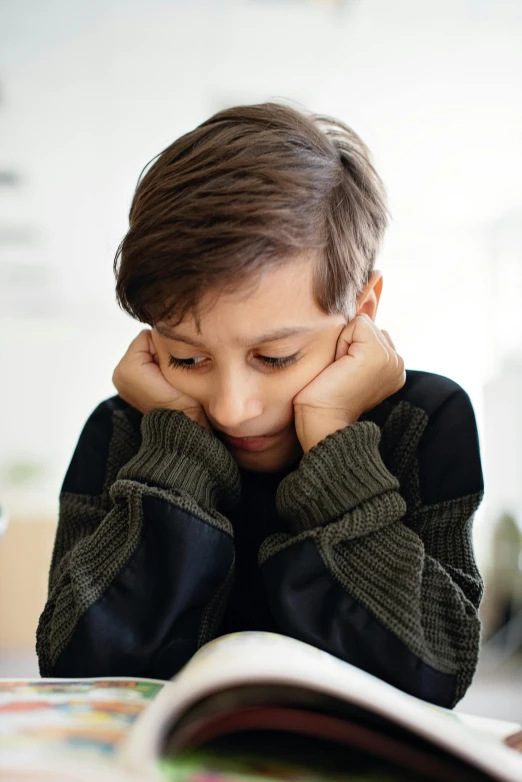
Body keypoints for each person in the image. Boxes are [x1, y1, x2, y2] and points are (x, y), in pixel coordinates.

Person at [36, 103, 484, 708]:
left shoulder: (425, 419)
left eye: (275, 358)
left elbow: (436, 669)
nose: (231, 409)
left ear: (363, 310)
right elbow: (76, 663)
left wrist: (330, 437)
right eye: (187, 359)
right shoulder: (122, 428)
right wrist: (177, 445)